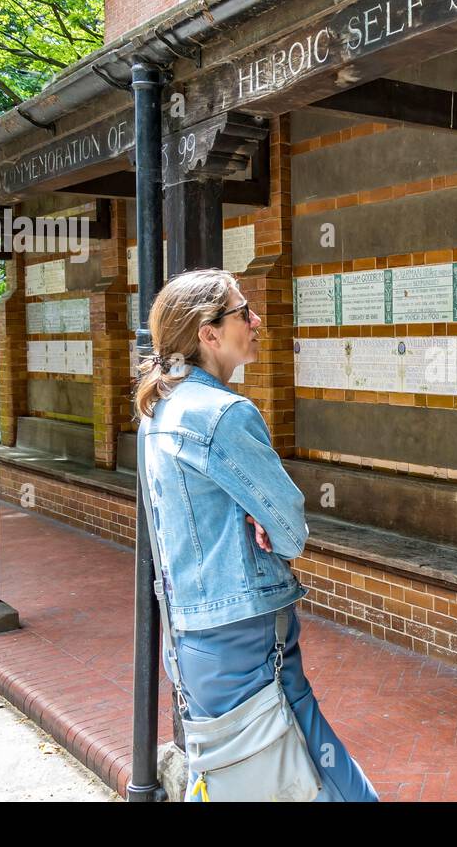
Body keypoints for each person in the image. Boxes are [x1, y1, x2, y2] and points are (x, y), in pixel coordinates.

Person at [134, 267, 378, 802]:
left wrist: (258, 515)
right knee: (329, 784)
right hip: (247, 635)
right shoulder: (223, 414)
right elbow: (289, 527)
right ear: (208, 332)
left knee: (254, 780)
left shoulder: (161, 410)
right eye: (243, 311)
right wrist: (268, 522)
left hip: (194, 635)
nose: (256, 320)